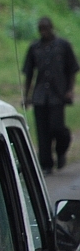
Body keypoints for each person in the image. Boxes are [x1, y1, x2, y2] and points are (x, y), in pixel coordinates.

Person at [23, 17, 79, 175]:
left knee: (57, 128)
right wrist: (26, 96)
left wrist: (70, 90)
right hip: (40, 95)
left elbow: (72, 69)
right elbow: (29, 73)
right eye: (41, 29)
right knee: (42, 132)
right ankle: (46, 163)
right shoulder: (34, 47)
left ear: (51, 28)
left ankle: (61, 150)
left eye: (46, 28)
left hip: (57, 95)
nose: (43, 32)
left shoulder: (63, 45)